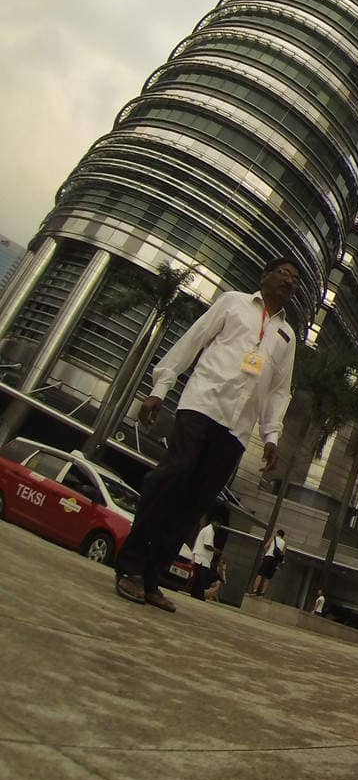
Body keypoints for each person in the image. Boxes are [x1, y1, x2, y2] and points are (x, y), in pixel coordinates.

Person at [113, 257, 300, 613]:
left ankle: (151, 580)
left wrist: (271, 435)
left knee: (195, 504)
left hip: (237, 430)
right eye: (283, 273)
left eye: (295, 279)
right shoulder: (232, 302)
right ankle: (130, 566)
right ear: (265, 276)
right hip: (202, 404)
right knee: (173, 475)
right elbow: (193, 339)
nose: (289, 282)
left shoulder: (287, 336)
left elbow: (280, 390)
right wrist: (161, 387)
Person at [188, 514, 219, 601]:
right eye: (218, 524)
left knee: (198, 578)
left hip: (199, 557)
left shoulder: (206, 529)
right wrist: (215, 550)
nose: (218, 527)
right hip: (202, 559)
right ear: (214, 522)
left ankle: (194, 593)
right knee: (201, 579)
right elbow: (207, 545)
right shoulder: (210, 530)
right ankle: (199, 595)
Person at [251, 529, 287, 597]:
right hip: (275, 561)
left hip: (268, 558)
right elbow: (283, 555)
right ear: (283, 536)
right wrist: (278, 564)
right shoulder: (284, 543)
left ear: (277, 534)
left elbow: (265, 546)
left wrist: (266, 553)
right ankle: (262, 593)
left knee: (260, 574)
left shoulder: (273, 538)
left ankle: (255, 591)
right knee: (268, 578)